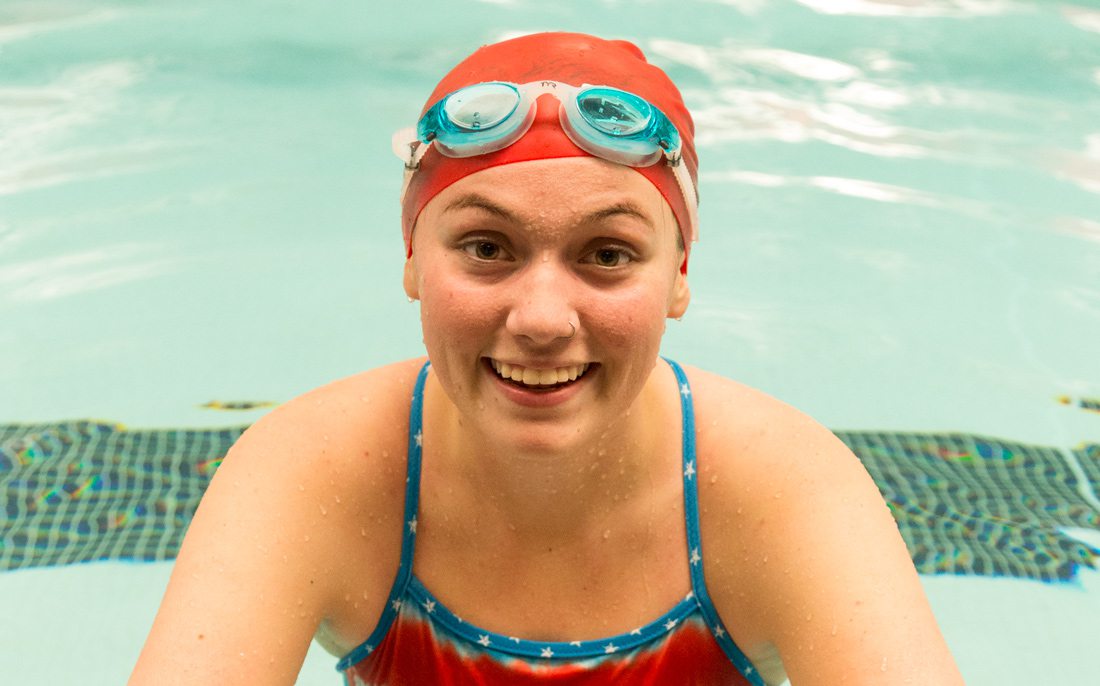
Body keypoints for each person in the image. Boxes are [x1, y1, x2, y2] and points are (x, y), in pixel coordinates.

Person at [131, 32, 963, 685]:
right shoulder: (312, 474)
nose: (539, 320)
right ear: (414, 259)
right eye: (487, 247)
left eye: (607, 255)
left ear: (678, 276)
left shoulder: (781, 494)